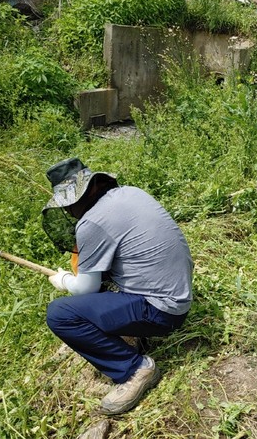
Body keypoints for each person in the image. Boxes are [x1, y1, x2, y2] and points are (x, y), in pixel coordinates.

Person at [41, 158, 193, 415]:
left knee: (61, 314)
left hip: (164, 311)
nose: (69, 211)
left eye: (69, 204)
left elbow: (85, 289)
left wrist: (64, 280)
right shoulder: (132, 192)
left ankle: (135, 369)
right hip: (179, 294)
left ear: (85, 192)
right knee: (102, 279)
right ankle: (128, 333)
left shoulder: (92, 223)